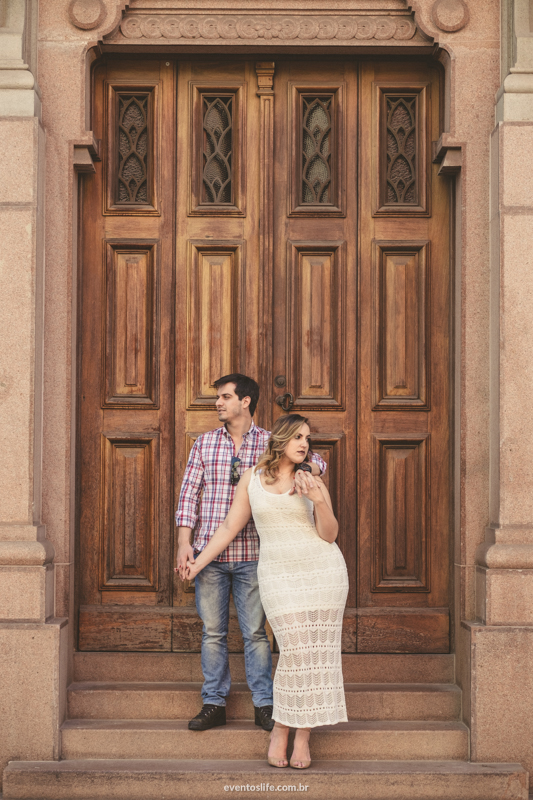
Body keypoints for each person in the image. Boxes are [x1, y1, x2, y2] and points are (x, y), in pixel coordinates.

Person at [184, 414, 348, 770]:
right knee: (293, 650)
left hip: (322, 572)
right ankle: (282, 729)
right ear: (281, 440)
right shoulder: (253, 480)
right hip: (277, 574)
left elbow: (330, 534)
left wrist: (319, 500)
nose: (304, 443)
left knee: (313, 655)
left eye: (308, 438)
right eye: (297, 437)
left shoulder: (311, 479)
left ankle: (297, 733)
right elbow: (229, 526)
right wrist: (197, 563)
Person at [174, 375, 326, 733]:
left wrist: (310, 468)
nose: (217, 403)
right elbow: (188, 497)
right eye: (218, 397)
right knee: (213, 632)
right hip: (209, 555)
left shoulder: (269, 442)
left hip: (255, 554)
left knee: (256, 633)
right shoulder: (204, 444)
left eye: (225, 397)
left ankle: (265, 703)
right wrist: (185, 543)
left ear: (245, 402)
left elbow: (314, 456)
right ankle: (214, 702)